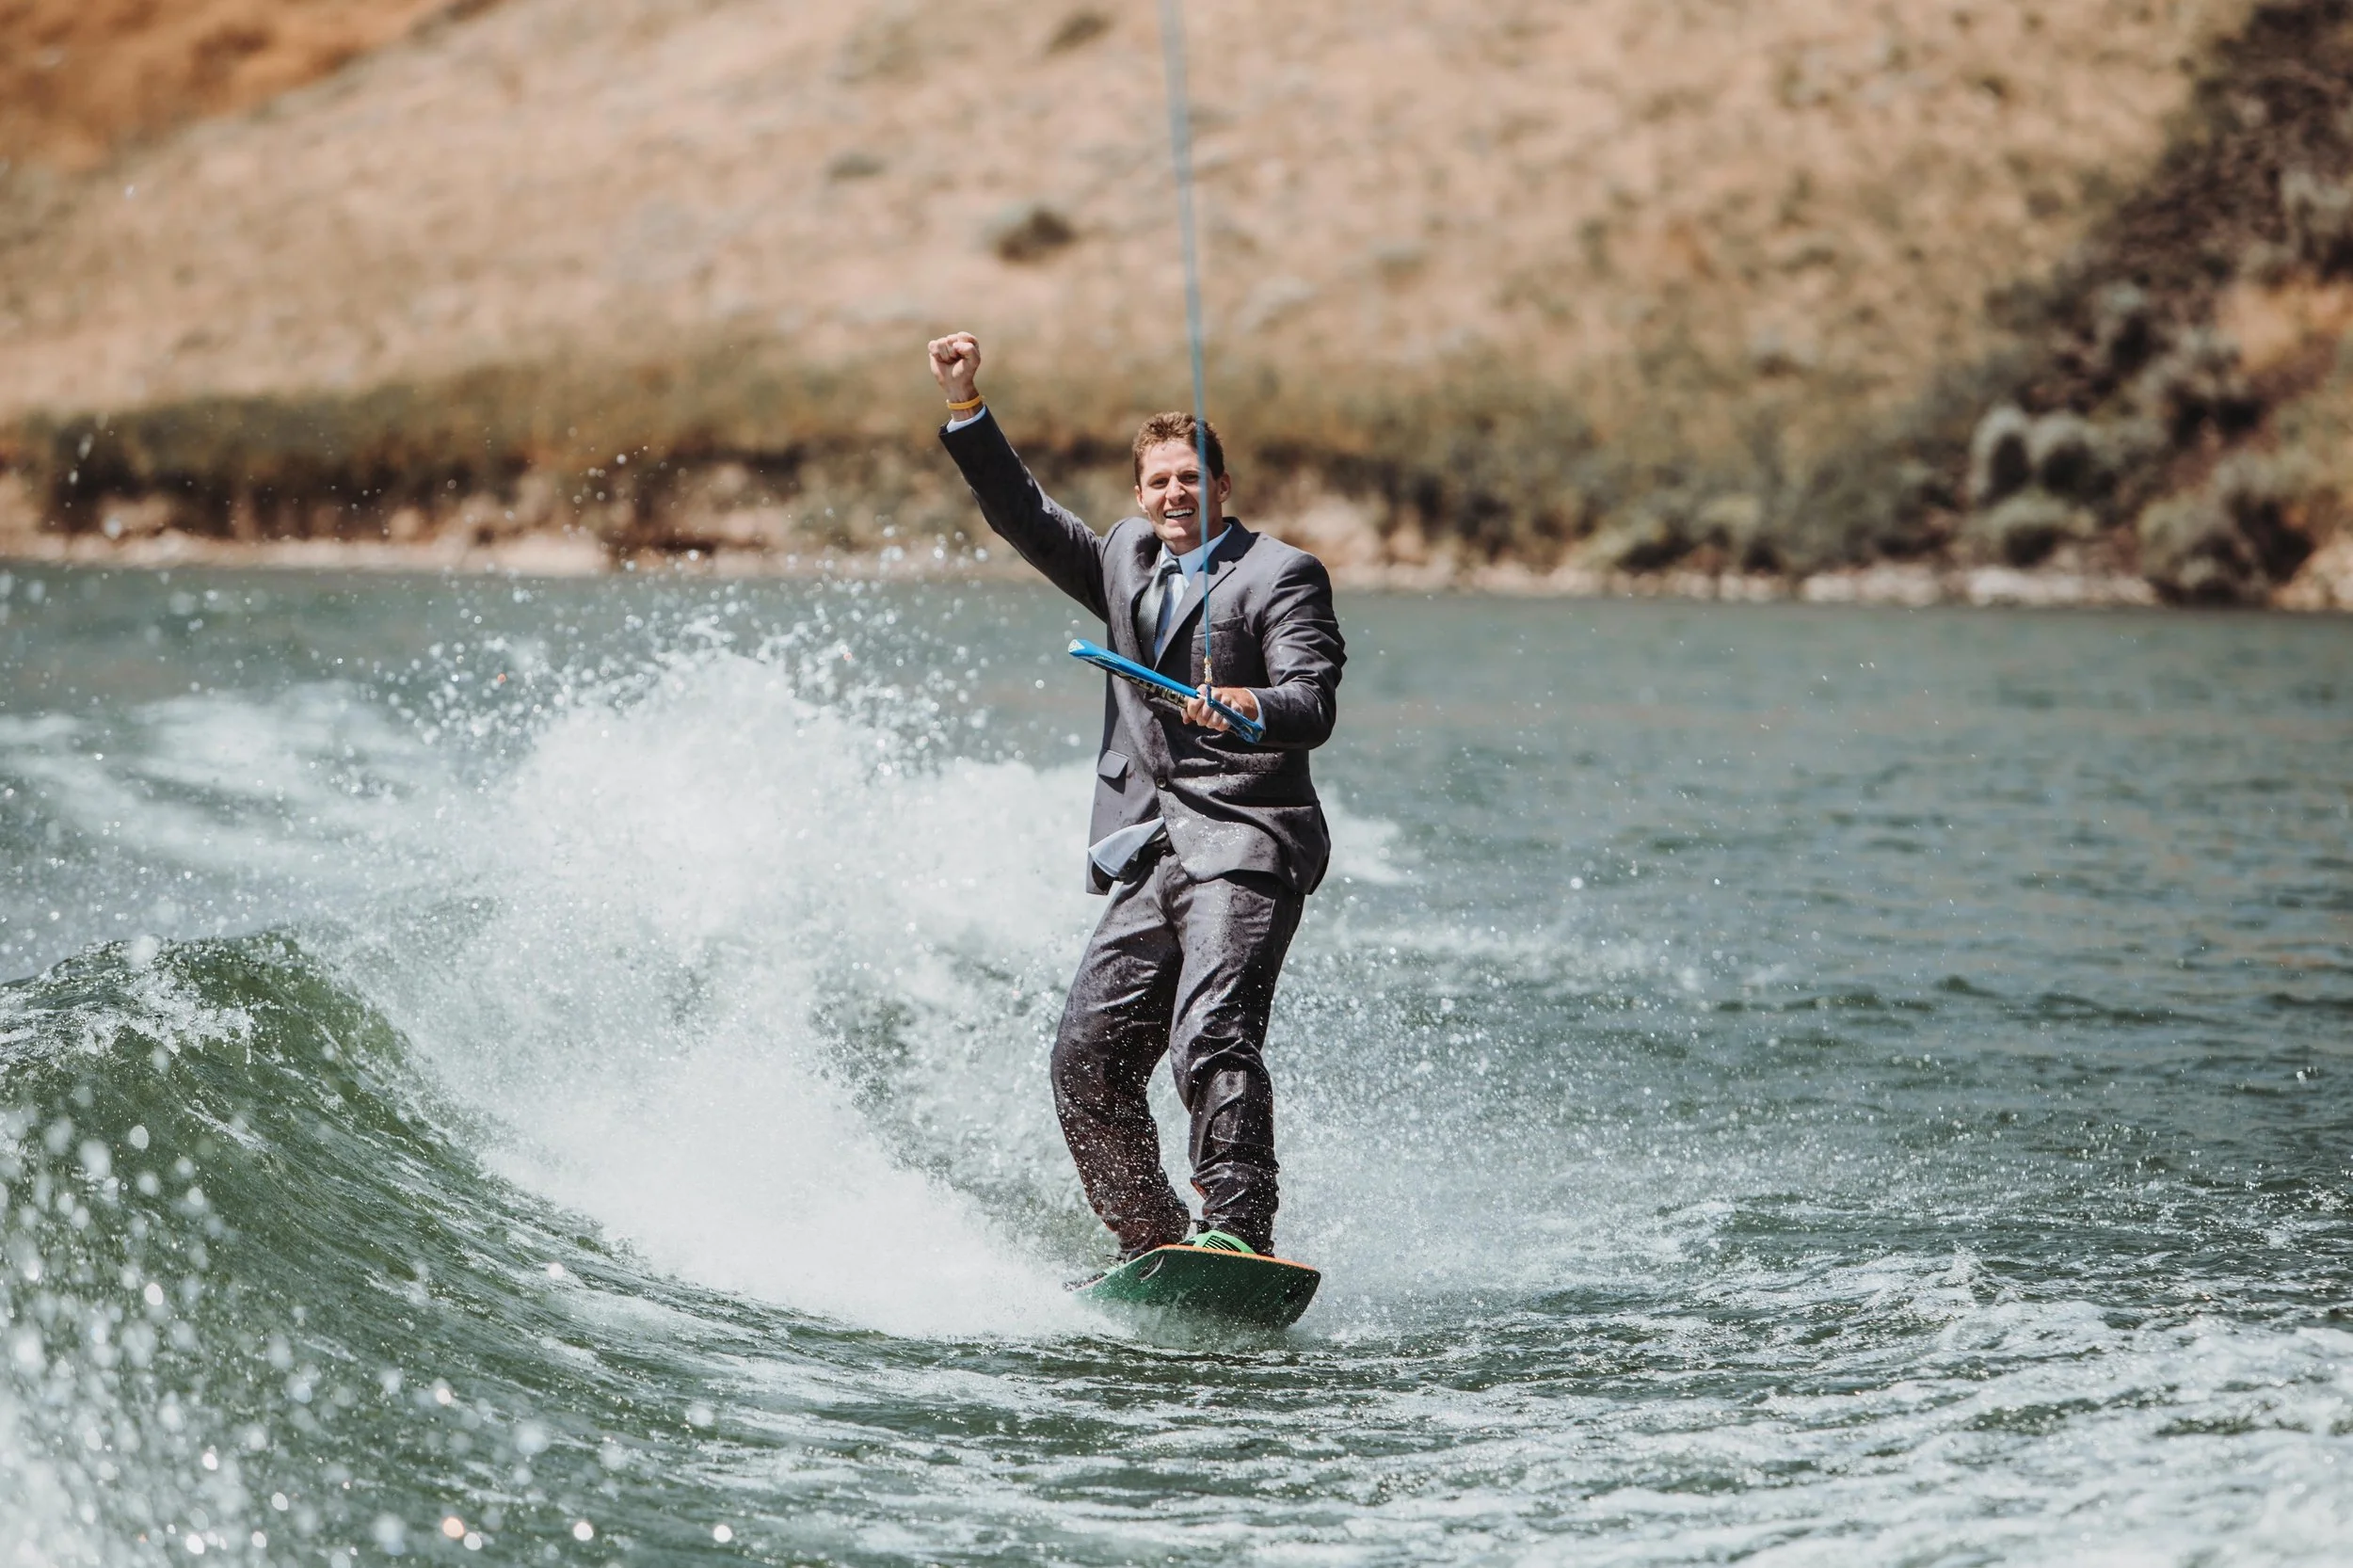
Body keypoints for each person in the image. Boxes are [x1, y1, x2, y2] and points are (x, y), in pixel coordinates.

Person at [927, 330, 1345, 1263]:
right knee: (1085, 1059)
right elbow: (1024, 516)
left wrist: (1247, 705)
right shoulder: (1121, 558)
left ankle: (1238, 1229)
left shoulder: (1281, 575)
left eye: (1190, 480)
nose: (1173, 496)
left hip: (1247, 836)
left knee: (1212, 1030)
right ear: (1139, 492)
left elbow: (1310, 699)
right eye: (1157, 482)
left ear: (1221, 487)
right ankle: (1150, 1238)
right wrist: (965, 405)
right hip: (1153, 846)